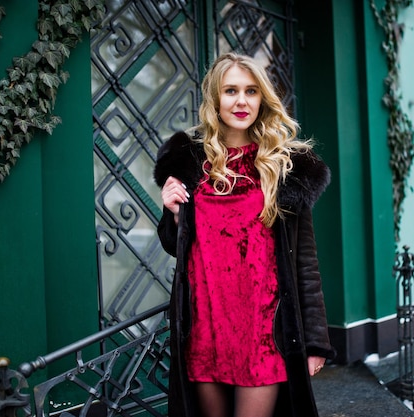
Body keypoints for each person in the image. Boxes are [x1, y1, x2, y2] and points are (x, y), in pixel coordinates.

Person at [153, 52, 335, 417]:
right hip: (206, 329)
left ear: (262, 98)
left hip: (264, 333)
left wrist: (315, 342)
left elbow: (305, 263)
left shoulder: (286, 168)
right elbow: (179, 248)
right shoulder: (189, 164)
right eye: (230, 91)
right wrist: (172, 215)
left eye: (251, 91)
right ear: (214, 100)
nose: (241, 101)